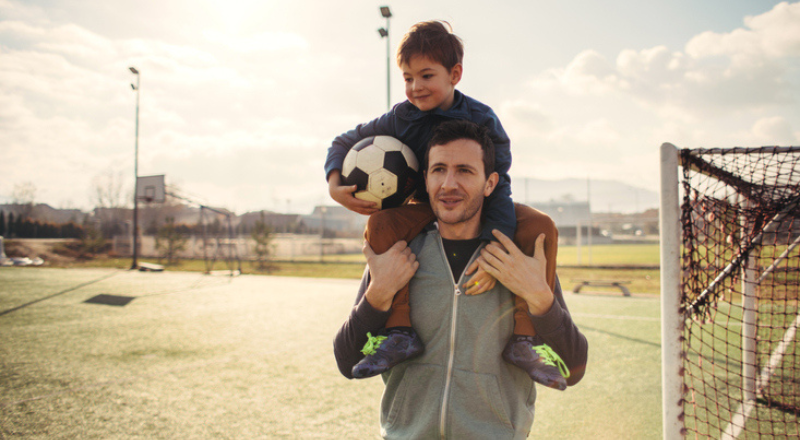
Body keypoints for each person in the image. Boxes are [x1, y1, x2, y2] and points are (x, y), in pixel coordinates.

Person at [325, 21, 562, 388]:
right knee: (382, 224)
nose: (415, 87)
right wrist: (334, 183)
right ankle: (400, 332)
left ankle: (524, 339)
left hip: (480, 206)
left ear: (455, 74)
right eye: (407, 78)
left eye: (426, 75)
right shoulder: (400, 117)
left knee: (541, 225)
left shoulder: (482, 119)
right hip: (426, 208)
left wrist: (492, 247)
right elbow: (343, 141)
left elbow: (499, 188)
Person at [333, 120, 588, 438]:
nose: (449, 184)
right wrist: (379, 292)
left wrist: (540, 297)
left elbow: (574, 366)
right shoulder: (397, 255)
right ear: (425, 180)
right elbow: (347, 360)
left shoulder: (518, 260)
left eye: (465, 171)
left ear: (490, 183)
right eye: (439, 169)